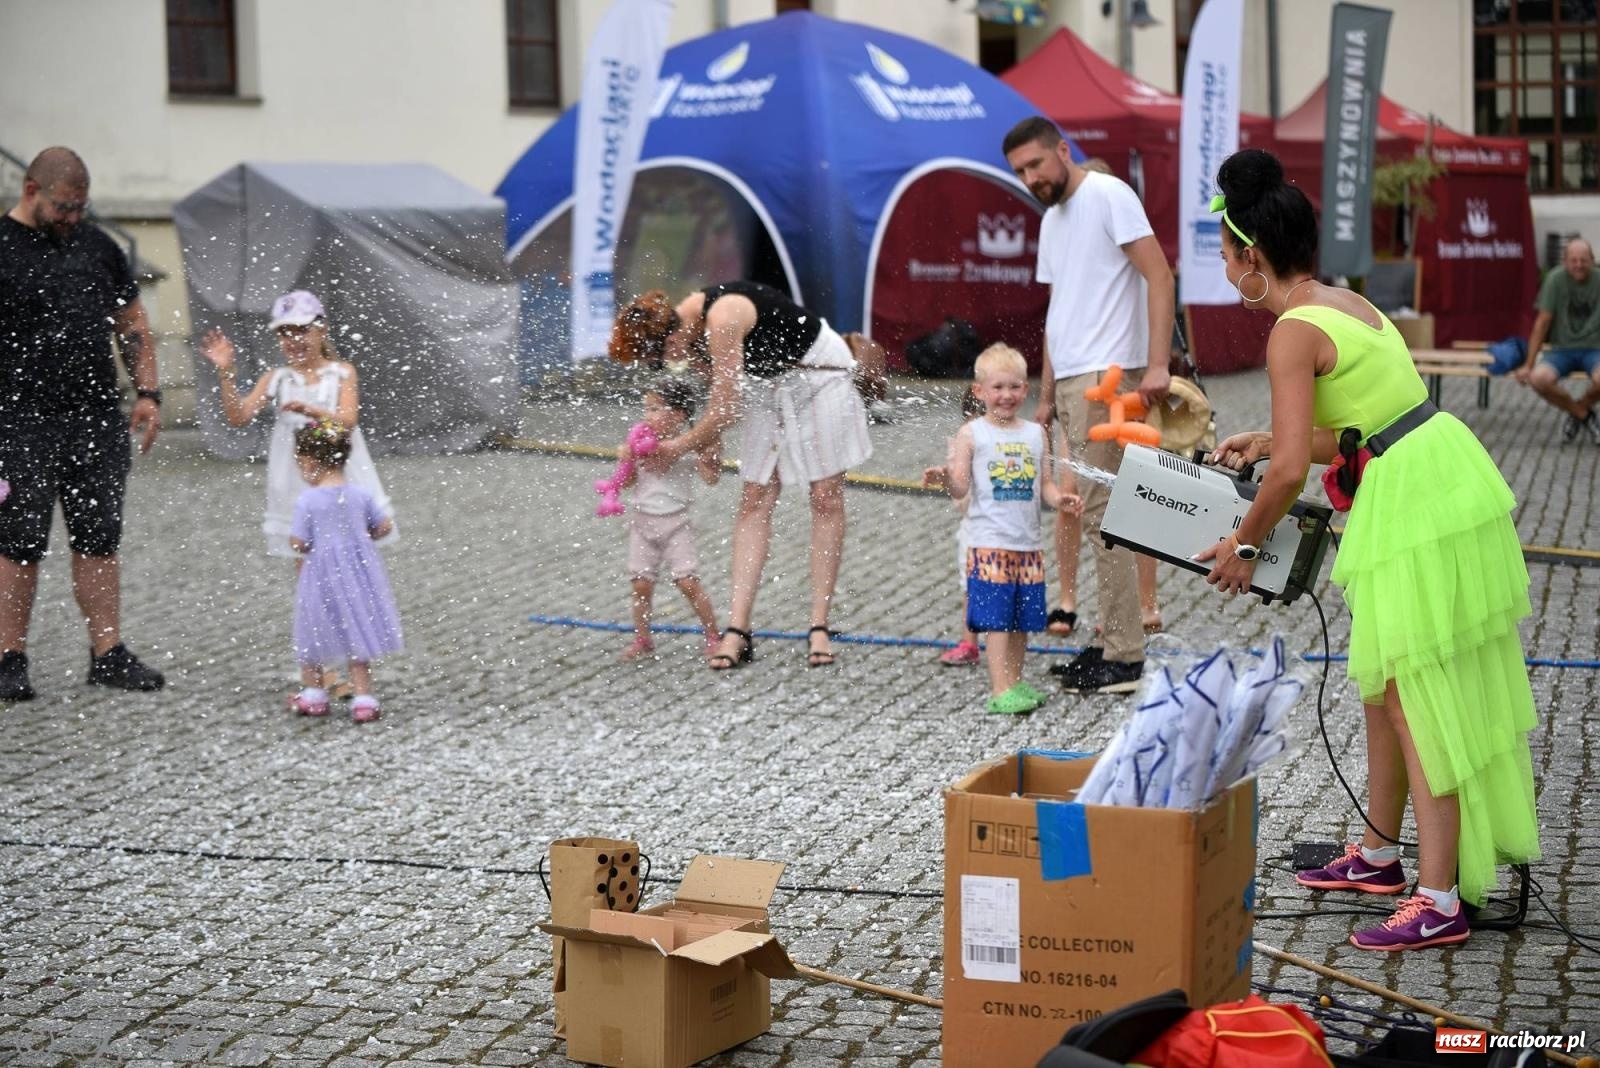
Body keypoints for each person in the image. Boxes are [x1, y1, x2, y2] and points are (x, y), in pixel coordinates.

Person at [1197, 148, 1539, 951]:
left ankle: (1439, 898)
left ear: (1252, 256)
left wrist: (1242, 546)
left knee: (1417, 701)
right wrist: (1263, 437)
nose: (1223, 269)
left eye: (1224, 255)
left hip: (1409, 502)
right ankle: (1381, 856)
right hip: (1436, 467)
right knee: (1384, 688)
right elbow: (1357, 427)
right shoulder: (1342, 301)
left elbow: (1286, 473)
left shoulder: (1288, 332)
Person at [610, 281, 872, 671]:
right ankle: (738, 630)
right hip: (768, 384)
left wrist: (677, 447)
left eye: (660, 356)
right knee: (754, 499)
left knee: (825, 497)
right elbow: (717, 400)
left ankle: (819, 624)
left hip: (820, 375)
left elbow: (728, 409)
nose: (666, 363)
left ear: (671, 333)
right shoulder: (692, 333)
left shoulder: (723, 315)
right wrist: (705, 447)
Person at [1002, 117, 1175, 694]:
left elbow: (1159, 275)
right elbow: (1060, 310)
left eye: (1036, 164)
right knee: (1091, 511)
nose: (1031, 177)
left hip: (1111, 379)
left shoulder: (1107, 194)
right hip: (1073, 382)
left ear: (1063, 150)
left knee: (1108, 515)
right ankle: (1109, 643)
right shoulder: (1052, 220)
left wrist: (1157, 364)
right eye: (1020, 171)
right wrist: (1046, 395)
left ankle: (1124, 657)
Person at [0, 147, 166, 701]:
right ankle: (8, 657)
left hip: (94, 418)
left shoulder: (99, 247)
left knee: (99, 539)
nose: (73, 218)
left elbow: (133, 323)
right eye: (64, 207)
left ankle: (108, 653)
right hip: (18, 419)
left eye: (81, 207)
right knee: (17, 542)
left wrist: (147, 392)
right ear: (32, 193)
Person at [923, 344, 1080, 714]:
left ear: (1026, 389)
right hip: (988, 543)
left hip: (1028, 545)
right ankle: (999, 688)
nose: (1006, 395)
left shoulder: (1034, 434)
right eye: (997, 388)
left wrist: (1060, 499)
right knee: (996, 621)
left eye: (1014, 387)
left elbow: (1045, 485)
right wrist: (946, 478)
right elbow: (962, 487)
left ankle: (1016, 680)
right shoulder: (972, 434)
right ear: (979, 391)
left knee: (1022, 621)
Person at [200, 290, 397, 558]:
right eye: (284, 333)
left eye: (301, 331)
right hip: (296, 469)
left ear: (321, 330)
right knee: (306, 546)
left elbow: (349, 420)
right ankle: (315, 597)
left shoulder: (340, 372)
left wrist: (311, 410)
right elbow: (239, 417)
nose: (293, 340)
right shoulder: (277, 378)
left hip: (338, 466)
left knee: (351, 542)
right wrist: (226, 372)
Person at [287, 421, 403, 722]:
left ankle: (314, 694)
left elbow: (299, 542)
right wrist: (364, 536)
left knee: (313, 628)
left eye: (300, 464)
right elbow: (384, 525)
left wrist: (303, 543)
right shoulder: (360, 495)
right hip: (357, 574)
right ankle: (364, 698)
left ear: (311, 463)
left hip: (321, 573)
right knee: (356, 629)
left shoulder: (308, 500)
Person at [617, 378, 723, 662]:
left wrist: (711, 457)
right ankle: (643, 638)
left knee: (687, 582)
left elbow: (711, 479)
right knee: (641, 584)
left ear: (678, 415)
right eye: (646, 409)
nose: (647, 416)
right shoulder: (639, 443)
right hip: (642, 523)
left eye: (654, 409)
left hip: (676, 524)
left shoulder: (688, 444)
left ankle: (713, 635)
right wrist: (625, 460)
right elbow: (627, 482)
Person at [1513, 236, 1600, 444]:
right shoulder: (1555, 280)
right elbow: (1542, 323)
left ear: (1592, 260)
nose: (1579, 265)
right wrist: (1529, 364)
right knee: (1537, 379)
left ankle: (1579, 411)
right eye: (1574, 260)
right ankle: (1583, 414)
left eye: (1583, 260)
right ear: (1565, 261)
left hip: (1595, 348)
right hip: (1562, 349)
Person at [937, 384, 986, 667]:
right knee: (971, 586)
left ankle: (1004, 641)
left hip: (1003, 529)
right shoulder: (962, 443)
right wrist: (949, 477)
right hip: (973, 528)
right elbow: (961, 501)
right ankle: (969, 642)